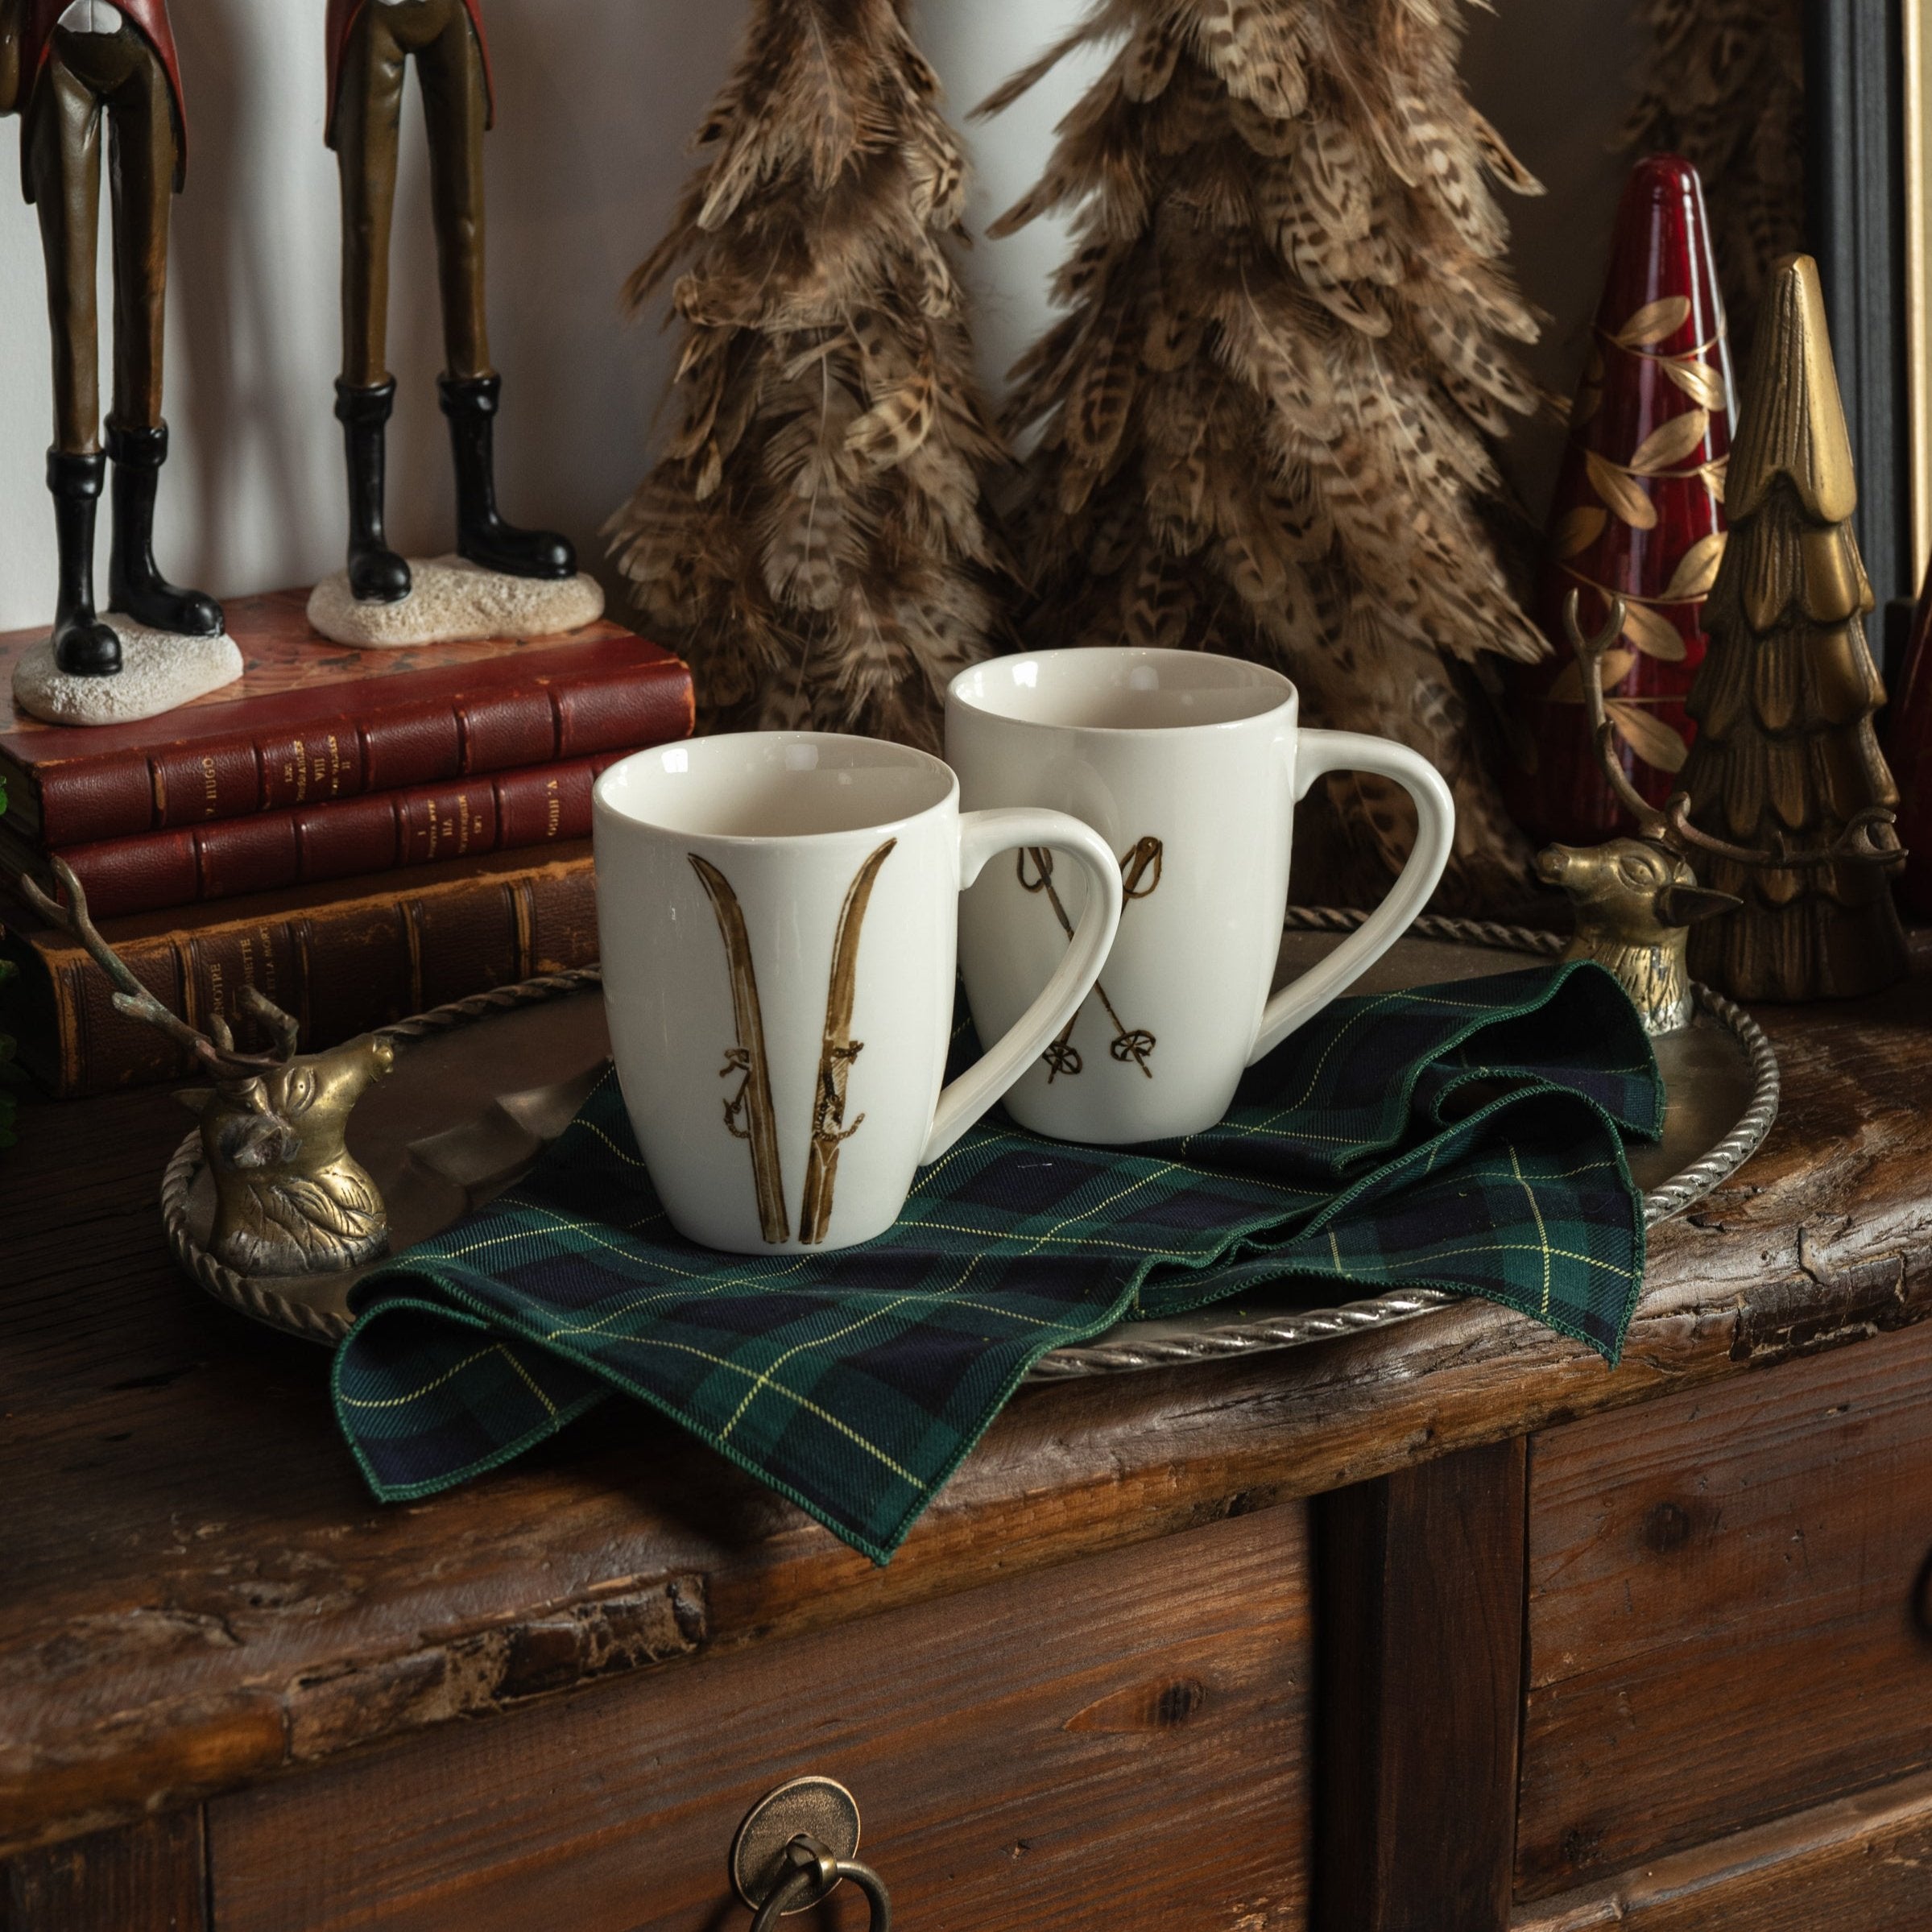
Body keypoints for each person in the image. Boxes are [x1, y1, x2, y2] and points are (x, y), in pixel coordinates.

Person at [325, 0, 573, 605]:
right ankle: (367, 533)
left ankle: (479, 518)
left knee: (466, 225)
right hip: (372, 12)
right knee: (367, 231)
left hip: (453, 11)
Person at [0, 0, 221, 678]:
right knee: (74, 305)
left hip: (142, 44)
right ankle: (76, 599)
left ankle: (136, 569)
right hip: (59, 49)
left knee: (146, 296)